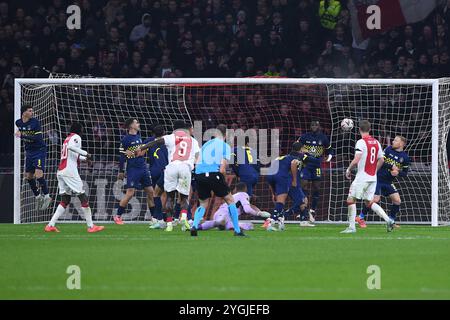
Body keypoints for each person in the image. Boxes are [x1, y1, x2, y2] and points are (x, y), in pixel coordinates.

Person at [138, 120, 200, 232]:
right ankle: (184, 218)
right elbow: (197, 157)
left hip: (171, 167)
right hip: (185, 167)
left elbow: (156, 142)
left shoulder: (171, 137)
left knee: (169, 197)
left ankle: (169, 224)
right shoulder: (193, 140)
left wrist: (142, 148)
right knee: (184, 197)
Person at [45, 122, 104, 233]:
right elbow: (72, 148)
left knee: (65, 199)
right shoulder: (76, 137)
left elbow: (72, 154)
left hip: (61, 171)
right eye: (82, 129)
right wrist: (86, 154)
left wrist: (83, 158)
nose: (83, 131)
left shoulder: (67, 138)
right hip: (69, 171)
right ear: (79, 130)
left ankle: (50, 225)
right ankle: (91, 227)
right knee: (82, 196)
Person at [190, 124, 245, 237]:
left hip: (199, 174)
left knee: (203, 202)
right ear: (226, 135)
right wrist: (222, 180)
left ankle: (195, 225)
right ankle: (237, 230)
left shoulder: (205, 145)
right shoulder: (225, 146)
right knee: (230, 200)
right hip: (214, 174)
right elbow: (222, 168)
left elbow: (197, 161)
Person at [342, 120, 395, 234]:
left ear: (359, 129)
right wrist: (374, 171)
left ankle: (352, 228)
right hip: (372, 177)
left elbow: (356, 159)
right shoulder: (376, 142)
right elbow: (381, 159)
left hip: (362, 177)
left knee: (351, 199)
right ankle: (388, 220)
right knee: (368, 202)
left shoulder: (361, 142)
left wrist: (348, 169)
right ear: (370, 129)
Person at [357, 136, 410, 228]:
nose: (393, 141)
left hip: (388, 182)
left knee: (397, 200)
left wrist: (397, 173)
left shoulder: (405, 157)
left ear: (401, 144)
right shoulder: (388, 149)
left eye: (396, 140)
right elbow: (380, 161)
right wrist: (391, 167)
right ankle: (360, 217)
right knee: (375, 199)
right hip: (378, 179)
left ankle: (391, 221)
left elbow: (405, 173)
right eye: (393, 140)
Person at [114, 118, 155, 225]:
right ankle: (118, 216)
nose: (138, 124)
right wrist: (121, 170)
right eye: (136, 122)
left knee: (150, 192)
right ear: (131, 125)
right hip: (133, 169)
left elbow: (137, 151)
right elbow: (122, 156)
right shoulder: (126, 139)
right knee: (130, 193)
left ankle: (154, 218)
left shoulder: (138, 137)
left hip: (143, 168)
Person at [15, 105, 51, 210]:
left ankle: (47, 196)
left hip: (39, 150)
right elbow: (20, 131)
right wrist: (20, 133)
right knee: (28, 176)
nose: (32, 112)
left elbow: (37, 138)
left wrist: (22, 135)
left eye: (32, 111)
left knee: (38, 175)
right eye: (30, 111)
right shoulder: (18, 122)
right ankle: (38, 196)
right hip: (29, 152)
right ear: (24, 113)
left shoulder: (35, 122)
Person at [297, 120, 334, 222]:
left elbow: (330, 149)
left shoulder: (323, 137)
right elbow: (296, 146)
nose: (314, 126)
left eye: (316, 125)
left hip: (317, 165)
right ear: (310, 126)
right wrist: (302, 154)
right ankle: (303, 209)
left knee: (316, 187)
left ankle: (313, 209)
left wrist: (329, 157)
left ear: (319, 126)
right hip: (306, 164)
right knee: (304, 184)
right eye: (312, 125)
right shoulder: (305, 137)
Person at [197, 182, 270, 231]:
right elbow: (247, 209)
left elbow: (251, 206)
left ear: (235, 189)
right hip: (223, 214)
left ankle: (223, 225)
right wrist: (259, 214)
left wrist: (259, 211)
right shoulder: (243, 195)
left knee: (249, 226)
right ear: (245, 189)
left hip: (223, 215)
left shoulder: (233, 196)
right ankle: (195, 225)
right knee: (220, 222)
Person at [265, 142, 305, 231]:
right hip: (281, 176)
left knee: (279, 200)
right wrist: (294, 180)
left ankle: (280, 221)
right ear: (301, 149)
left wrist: (273, 193)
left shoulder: (282, 157)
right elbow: (294, 164)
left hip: (270, 175)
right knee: (281, 202)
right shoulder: (295, 158)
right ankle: (270, 222)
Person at [146, 124, 168, 229]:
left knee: (156, 195)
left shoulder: (149, 142)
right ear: (164, 132)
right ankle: (161, 219)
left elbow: (139, 150)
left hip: (153, 170)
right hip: (164, 170)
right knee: (164, 195)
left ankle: (156, 218)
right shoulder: (167, 141)